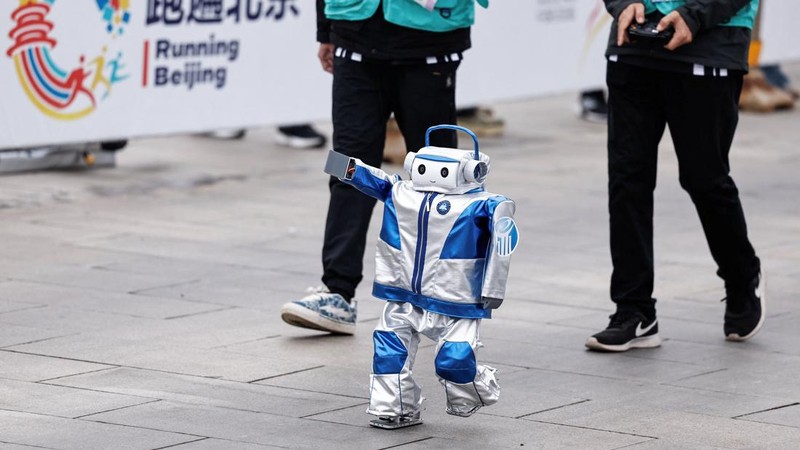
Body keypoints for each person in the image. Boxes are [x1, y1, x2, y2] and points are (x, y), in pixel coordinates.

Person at [280, 0, 489, 335]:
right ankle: (337, 292)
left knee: (439, 179)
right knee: (345, 169)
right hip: (354, 34)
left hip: (429, 40)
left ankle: (445, 296)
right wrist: (326, 30)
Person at [586, 0, 765, 352]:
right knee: (627, 178)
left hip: (711, 41)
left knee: (705, 178)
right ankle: (634, 309)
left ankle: (742, 277)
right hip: (633, 43)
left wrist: (694, 14)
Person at [322, 125, 517, 427]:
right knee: (388, 350)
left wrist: (493, 287)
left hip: (456, 300)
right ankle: (394, 407)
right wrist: (341, 166)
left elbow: (503, 244)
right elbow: (373, 178)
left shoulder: (483, 204)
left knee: (454, 360)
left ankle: (476, 392)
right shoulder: (402, 194)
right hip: (402, 293)